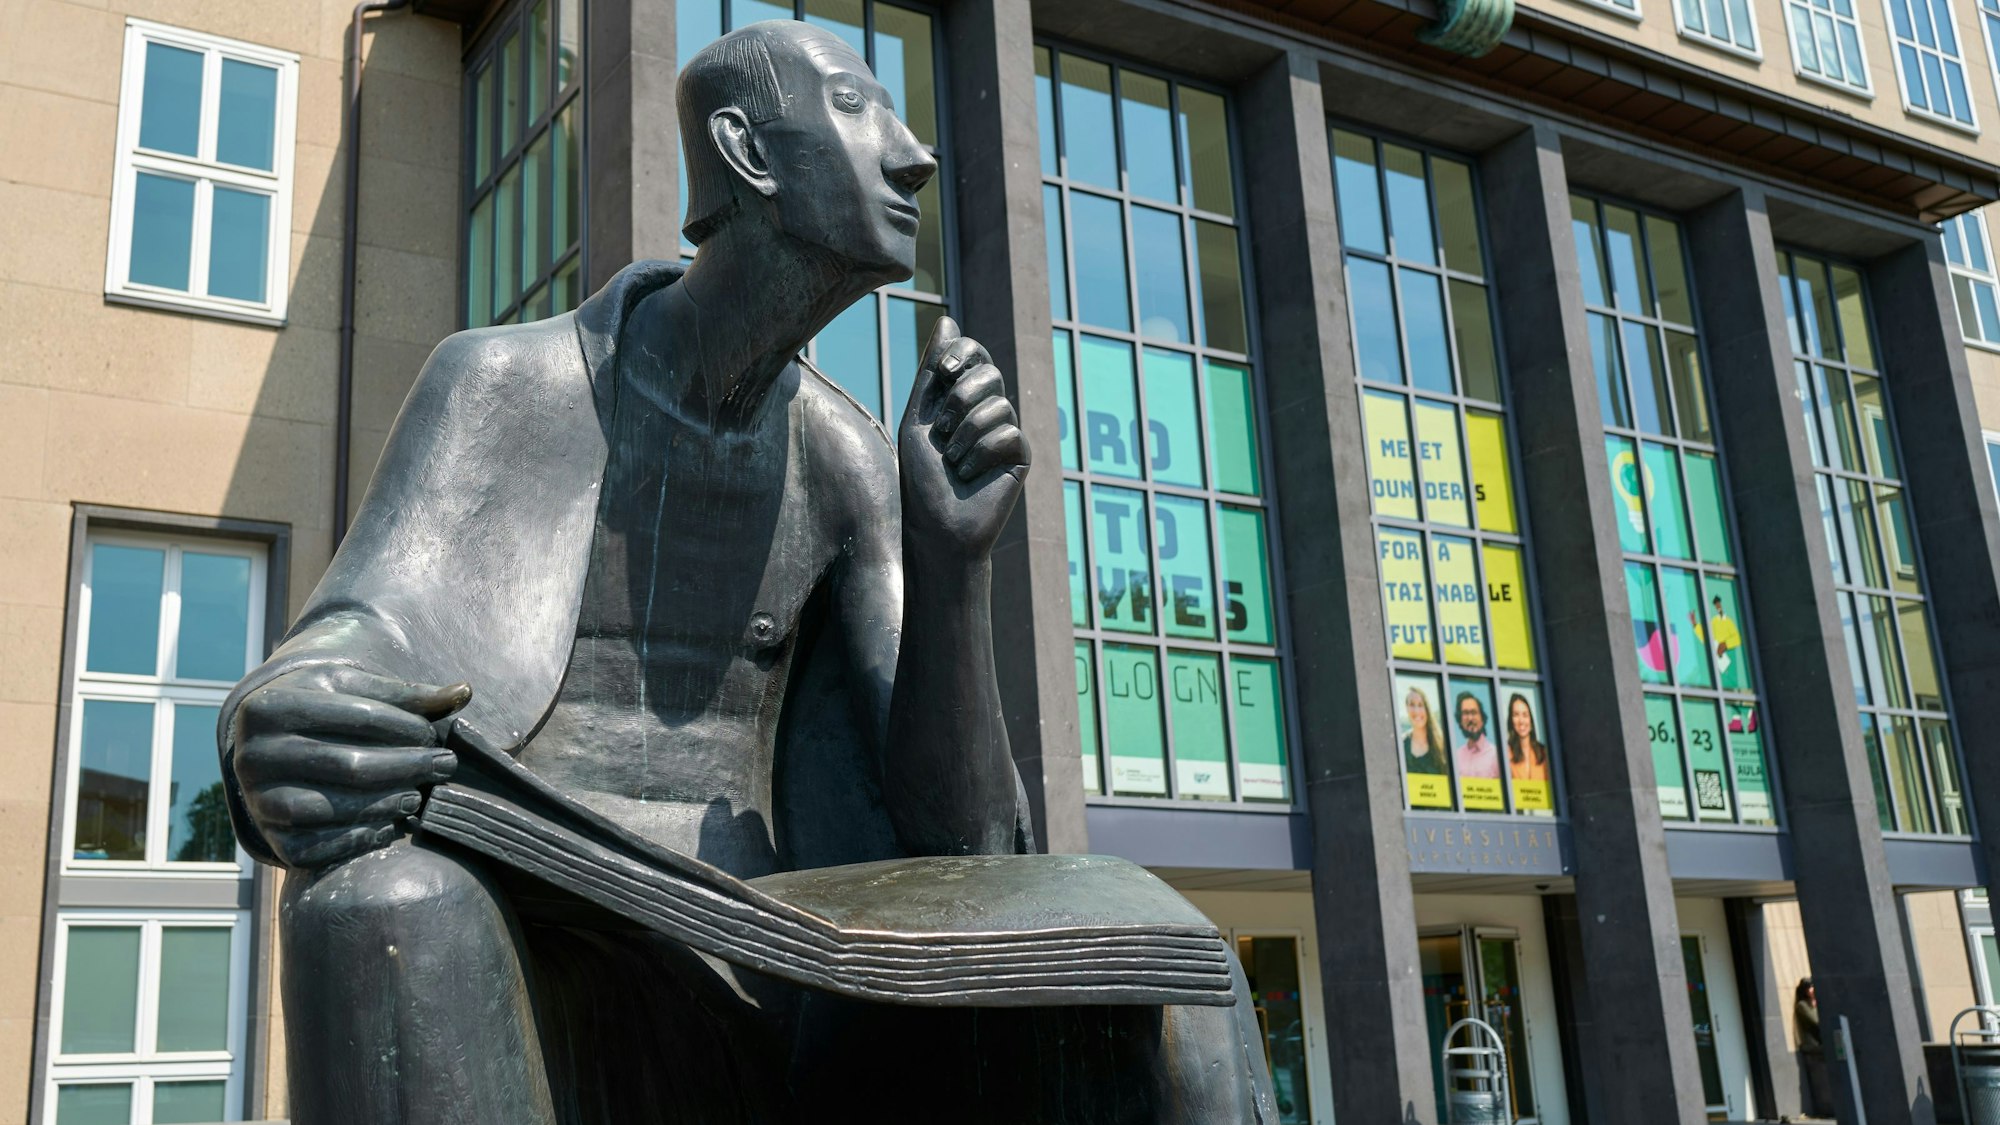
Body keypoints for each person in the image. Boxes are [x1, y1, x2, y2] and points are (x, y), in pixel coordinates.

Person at [217, 22, 1273, 1124]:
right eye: (859, 109)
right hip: (540, 939)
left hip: (780, 969)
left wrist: (953, 563)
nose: (911, 153)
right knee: (378, 905)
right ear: (748, 151)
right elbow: (359, 635)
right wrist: (291, 715)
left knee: (1154, 973)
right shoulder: (501, 385)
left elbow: (966, 844)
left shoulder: (848, 460)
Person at [1689, 593, 1745, 689]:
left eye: (1719, 604)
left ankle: (1732, 691)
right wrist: (1695, 624)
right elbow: (1706, 635)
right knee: (1720, 678)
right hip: (1717, 654)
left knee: (1730, 676)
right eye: (1716, 605)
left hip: (1728, 652)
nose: (1718, 607)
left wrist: (1726, 644)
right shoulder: (1714, 621)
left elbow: (1738, 638)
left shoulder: (1728, 621)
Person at [1796, 977, 1833, 1118]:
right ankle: (1826, 1109)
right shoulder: (1803, 1005)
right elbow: (1816, 1021)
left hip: (1823, 1044)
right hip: (1813, 1047)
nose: (1813, 990)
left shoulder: (1819, 1002)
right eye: (1810, 987)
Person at [1403, 685, 1449, 778]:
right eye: (1412, 705)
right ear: (1406, 708)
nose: (1416, 711)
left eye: (1420, 705)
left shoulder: (1442, 744)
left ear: (1427, 708)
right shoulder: (1401, 744)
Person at [1453, 691, 1500, 780]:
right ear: (1460, 721)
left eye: (1474, 712)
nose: (1470, 718)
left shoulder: (1496, 755)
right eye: (1465, 713)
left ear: (1482, 719)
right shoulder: (1456, 757)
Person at [1505, 692, 1550, 783]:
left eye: (1525, 715)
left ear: (1531, 720)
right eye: (1516, 715)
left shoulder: (1544, 752)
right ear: (1511, 720)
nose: (1521, 721)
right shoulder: (1505, 753)